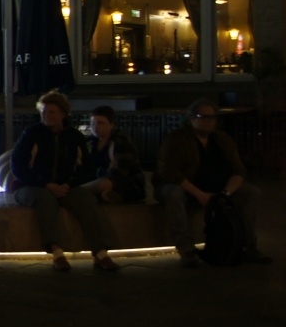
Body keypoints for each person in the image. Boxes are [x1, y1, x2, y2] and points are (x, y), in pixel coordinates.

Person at [10, 91, 120, 271]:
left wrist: (69, 184)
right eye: (44, 112)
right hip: (30, 186)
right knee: (45, 200)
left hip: (64, 186)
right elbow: (18, 167)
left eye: (52, 112)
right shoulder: (31, 134)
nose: (47, 116)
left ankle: (100, 252)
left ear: (63, 114)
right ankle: (56, 251)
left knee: (85, 199)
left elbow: (87, 168)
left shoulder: (74, 137)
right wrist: (46, 184)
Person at [155, 99, 270, 267]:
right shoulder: (177, 139)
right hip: (185, 186)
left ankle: (248, 246)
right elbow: (169, 172)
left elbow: (238, 171)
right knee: (174, 194)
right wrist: (199, 194)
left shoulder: (222, 139)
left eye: (212, 117)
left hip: (217, 187)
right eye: (202, 117)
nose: (208, 121)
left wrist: (224, 194)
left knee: (251, 192)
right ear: (192, 118)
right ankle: (186, 250)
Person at [83, 105, 146, 204]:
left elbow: (120, 174)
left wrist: (100, 171)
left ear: (111, 124)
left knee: (105, 183)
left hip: (126, 183)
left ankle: (79, 193)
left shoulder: (122, 143)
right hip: (98, 178)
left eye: (100, 123)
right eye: (93, 123)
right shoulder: (90, 142)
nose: (95, 127)